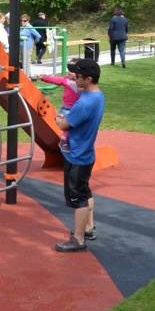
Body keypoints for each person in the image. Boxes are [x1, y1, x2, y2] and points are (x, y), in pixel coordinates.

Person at [54, 58, 105, 252]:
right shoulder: (98, 96)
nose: (75, 80)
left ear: (89, 79)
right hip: (86, 153)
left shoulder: (84, 104)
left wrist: (58, 116)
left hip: (77, 155)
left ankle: (78, 239)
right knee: (85, 191)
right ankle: (88, 228)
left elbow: (63, 125)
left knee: (78, 199)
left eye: (79, 77)